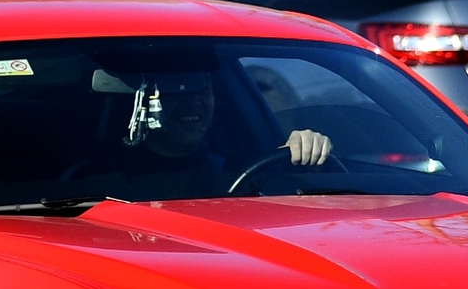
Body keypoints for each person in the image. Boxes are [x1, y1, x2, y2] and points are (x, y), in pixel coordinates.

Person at [100, 69, 329, 199]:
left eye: (203, 89)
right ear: (147, 102)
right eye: (179, 89)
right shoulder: (99, 181)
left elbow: (299, 202)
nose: (193, 101)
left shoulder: (245, 171)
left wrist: (307, 152)